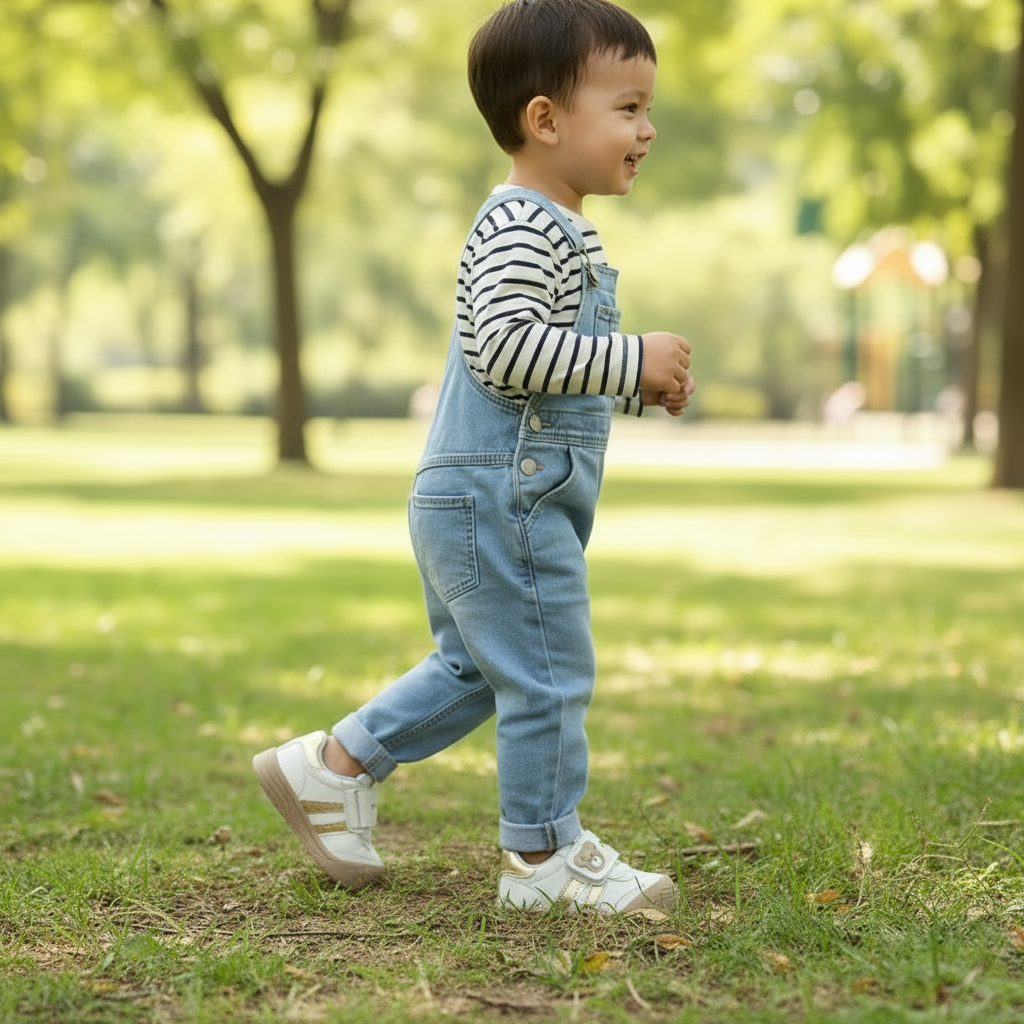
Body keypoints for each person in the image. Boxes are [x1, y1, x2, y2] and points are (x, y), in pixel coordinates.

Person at [253, 0, 695, 914]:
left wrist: (634, 387)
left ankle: (333, 766)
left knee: (482, 669)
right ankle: (543, 858)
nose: (647, 129)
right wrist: (630, 360)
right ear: (546, 119)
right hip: (506, 495)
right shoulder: (528, 225)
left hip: (486, 490)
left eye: (647, 109)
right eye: (628, 107)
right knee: (546, 673)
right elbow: (502, 349)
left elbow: (534, 367)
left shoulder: (546, 222)